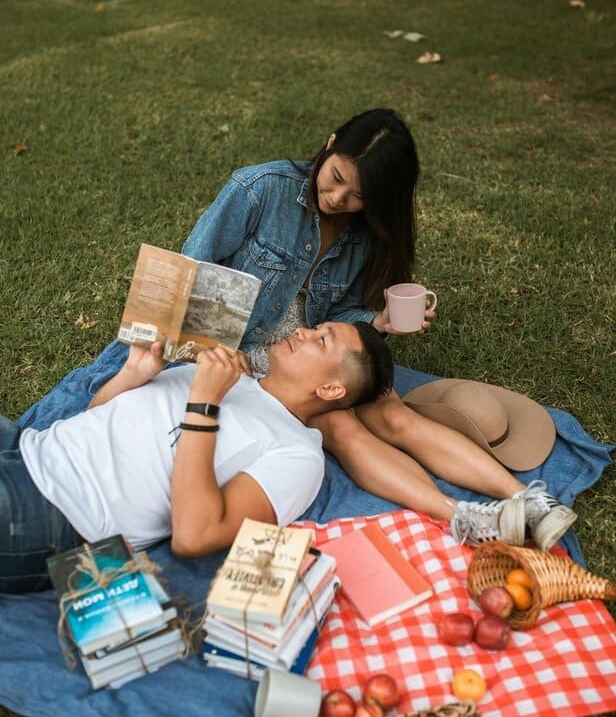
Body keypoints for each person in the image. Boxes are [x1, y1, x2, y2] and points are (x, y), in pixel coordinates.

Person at [17, 108, 574, 552]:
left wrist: (375, 322)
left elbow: (337, 317)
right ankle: (459, 515)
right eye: (335, 180)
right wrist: (186, 357)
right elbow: (189, 271)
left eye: (358, 197)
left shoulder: (365, 234)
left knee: (385, 413)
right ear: (329, 145)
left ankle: (521, 502)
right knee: (343, 427)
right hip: (230, 351)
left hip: (300, 357)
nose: (338, 200)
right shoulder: (258, 189)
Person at [0, 320, 393, 594]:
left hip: (53, 512)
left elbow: (195, 536)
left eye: (321, 340)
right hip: (27, 446)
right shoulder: (227, 374)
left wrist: (205, 401)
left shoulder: (298, 454)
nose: (303, 331)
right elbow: (97, 421)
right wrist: (133, 375)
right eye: (315, 327)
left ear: (330, 389)